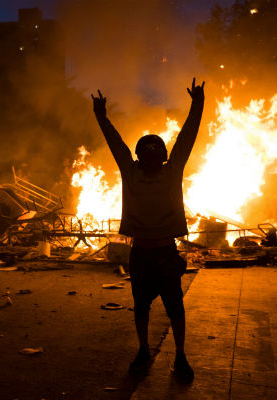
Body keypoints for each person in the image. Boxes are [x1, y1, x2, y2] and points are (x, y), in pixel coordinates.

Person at [91, 78, 205, 382]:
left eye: (157, 150)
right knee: (141, 306)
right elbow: (116, 144)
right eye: (147, 150)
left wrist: (197, 105)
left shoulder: (172, 171)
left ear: (164, 156)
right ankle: (143, 350)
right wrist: (101, 117)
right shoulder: (130, 172)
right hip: (141, 252)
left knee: (175, 308)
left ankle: (180, 356)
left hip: (166, 252)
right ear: (140, 156)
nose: (152, 154)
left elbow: (187, 137)